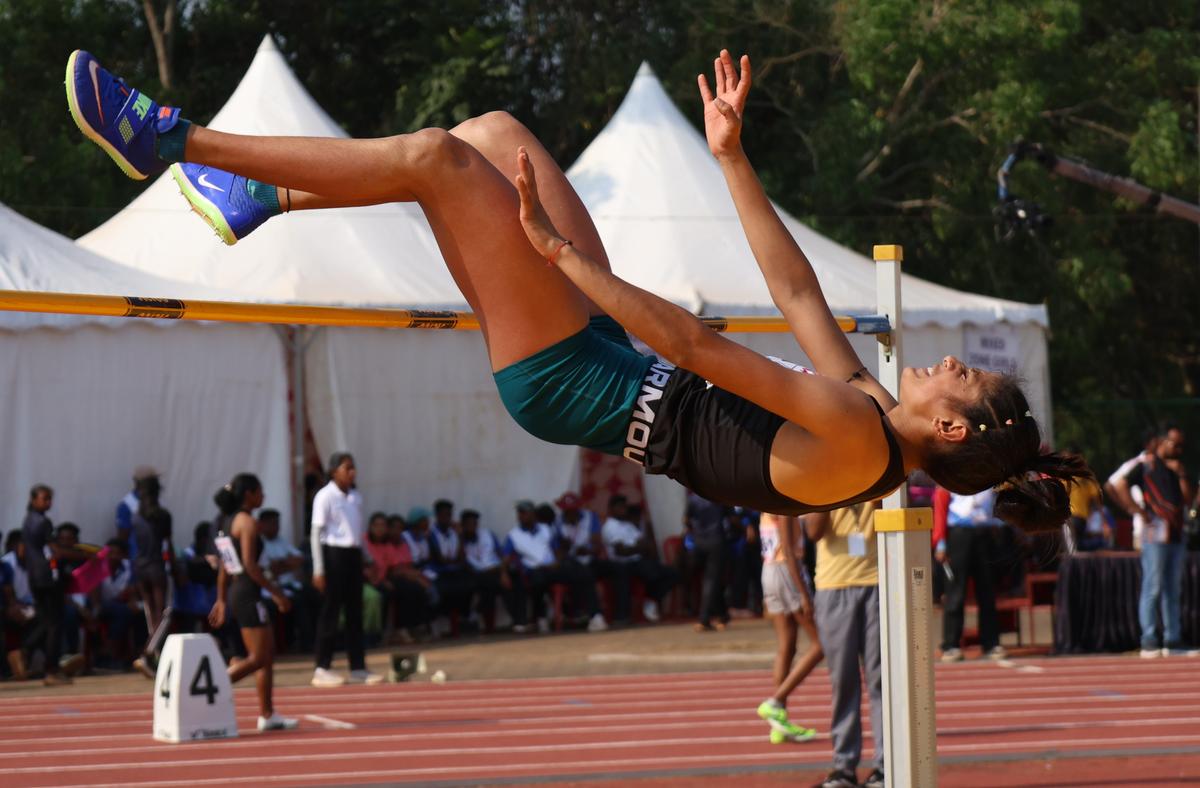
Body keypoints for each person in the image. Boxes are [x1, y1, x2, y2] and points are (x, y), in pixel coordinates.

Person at [67, 49, 1089, 528]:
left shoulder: (854, 435)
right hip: (609, 356)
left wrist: (570, 263)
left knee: (436, 157)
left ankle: (173, 141)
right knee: (498, 134)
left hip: (568, 377)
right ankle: (262, 195)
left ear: (952, 430)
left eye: (966, 381)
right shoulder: (865, 409)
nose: (953, 363)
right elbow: (799, 294)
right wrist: (731, 156)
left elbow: (700, 347)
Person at [208, 474, 297, 731]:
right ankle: (210, 686)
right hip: (248, 593)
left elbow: (225, 567)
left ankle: (268, 714)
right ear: (248, 494)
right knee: (258, 657)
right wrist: (278, 593)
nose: (264, 496)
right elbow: (249, 565)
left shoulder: (227, 521)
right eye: (260, 491)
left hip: (238, 591)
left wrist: (222, 599)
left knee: (266, 656)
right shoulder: (246, 522)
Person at [806, 502, 885, 788]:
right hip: (834, 584)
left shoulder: (875, 468)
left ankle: (885, 766)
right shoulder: (822, 480)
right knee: (843, 681)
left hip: (877, 581)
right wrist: (830, 493)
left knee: (881, 681)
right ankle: (844, 766)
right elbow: (813, 531)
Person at [1109, 426, 1193, 657]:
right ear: (1162, 442)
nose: (1178, 450)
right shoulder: (1147, 464)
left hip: (1176, 533)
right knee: (1153, 586)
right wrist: (1134, 510)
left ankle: (1172, 639)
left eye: (1180, 446)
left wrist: (1182, 474)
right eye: (1174, 444)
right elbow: (1117, 484)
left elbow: (1187, 500)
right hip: (1154, 533)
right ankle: (1149, 639)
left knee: (1173, 588)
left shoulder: (1177, 467)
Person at [309, 452, 382, 686]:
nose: (352, 472)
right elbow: (315, 534)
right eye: (347, 468)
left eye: (353, 468)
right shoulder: (325, 496)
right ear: (333, 471)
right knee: (331, 612)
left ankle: (358, 667)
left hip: (352, 555)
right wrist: (319, 568)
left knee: (355, 612)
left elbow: (358, 534)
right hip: (333, 555)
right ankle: (322, 667)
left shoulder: (355, 497)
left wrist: (367, 558)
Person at [755, 512, 820, 744]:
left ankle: (778, 723)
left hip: (769, 570)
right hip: (787, 570)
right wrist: (804, 594)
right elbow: (790, 552)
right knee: (821, 644)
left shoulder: (765, 505)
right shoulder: (783, 504)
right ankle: (776, 701)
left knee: (787, 646)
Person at [18, 485, 90, 685]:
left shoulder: (26, 521)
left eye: (50, 499)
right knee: (55, 624)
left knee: (45, 620)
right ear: (34, 500)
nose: (48, 503)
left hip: (34, 577)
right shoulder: (43, 522)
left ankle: (24, 651)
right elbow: (57, 551)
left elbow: (23, 553)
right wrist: (85, 556)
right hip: (49, 578)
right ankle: (52, 669)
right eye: (44, 499)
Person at [934, 488, 1007, 662]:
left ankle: (991, 644)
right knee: (955, 593)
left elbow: (999, 502)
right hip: (959, 534)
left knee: (987, 592)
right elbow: (940, 504)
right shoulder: (951, 474)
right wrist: (940, 542)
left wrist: (1001, 527)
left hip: (986, 534)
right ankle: (951, 645)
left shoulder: (991, 473)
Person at [600, 495, 676, 624]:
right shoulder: (610, 526)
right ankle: (628, 613)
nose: (623, 510)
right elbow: (621, 552)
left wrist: (636, 547)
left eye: (625, 507)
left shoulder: (628, 525)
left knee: (672, 573)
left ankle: (650, 599)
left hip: (637, 561)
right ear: (612, 509)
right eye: (620, 507)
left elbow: (644, 544)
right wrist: (639, 548)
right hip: (622, 564)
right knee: (650, 572)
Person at [129, 474, 176, 678]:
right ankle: (148, 652)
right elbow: (167, 545)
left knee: (150, 613)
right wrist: (174, 566)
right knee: (165, 612)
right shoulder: (163, 515)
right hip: (157, 566)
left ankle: (155, 657)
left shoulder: (135, 516)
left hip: (140, 566)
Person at [460, 509, 518, 631]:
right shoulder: (459, 541)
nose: (473, 527)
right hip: (477, 574)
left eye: (475, 524)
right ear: (463, 526)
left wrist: (504, 572)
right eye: (469, 525)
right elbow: (463, 562)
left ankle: (475, 615)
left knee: (511, 581)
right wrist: (459, 537)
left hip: (496, 571)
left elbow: (501, 554)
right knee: (493, 585)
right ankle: (517, 621)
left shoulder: (487, 534)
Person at [683, 492, 730, 631]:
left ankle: (722, 615)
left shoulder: (692, 499)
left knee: (712, 580)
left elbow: (686, 520)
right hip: (716, 541)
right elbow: (731, 519)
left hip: (698, 542)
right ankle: (704, 619)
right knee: (712, 580)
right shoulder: (721, 497)